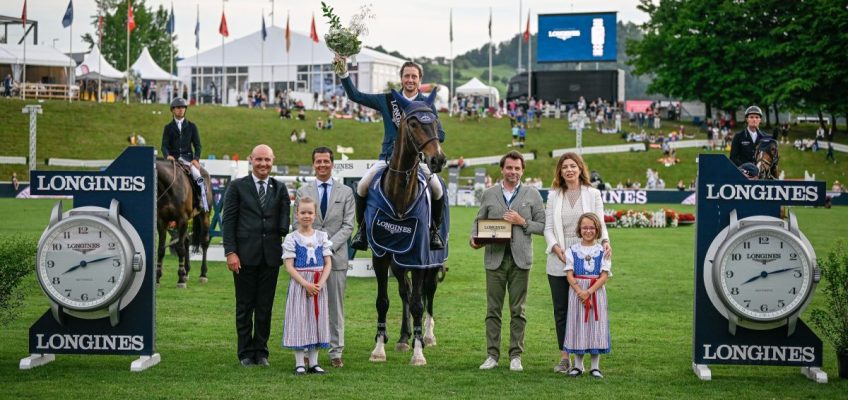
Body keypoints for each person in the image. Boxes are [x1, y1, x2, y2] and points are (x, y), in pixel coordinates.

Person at [336, 57, 446, 250]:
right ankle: (361, 231)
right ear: (401, 79)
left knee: (437, 190)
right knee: (362, 186)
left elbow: (441, 133)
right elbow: (356, 96)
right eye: (407, 76)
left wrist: (430, 139)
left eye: (414, 76)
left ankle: (434, 231)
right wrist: (344, 72)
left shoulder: (425, 103)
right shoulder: (387, 99)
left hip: (417, 162)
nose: (410, 80)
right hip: (387, 159)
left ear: (420, 80)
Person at [470, 151, 545, 372]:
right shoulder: (489, 194)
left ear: (523, 170)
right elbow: (477, 222)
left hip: (521, 260)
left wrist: (522, 221)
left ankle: (515, 356)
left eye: (517, 168)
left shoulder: (533, 194)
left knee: (518, 311)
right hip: (494, 259)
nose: (513, 172)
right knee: (493, 310)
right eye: (509, 168)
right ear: (502, 169)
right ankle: (492, 355)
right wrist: (474, 239)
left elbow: (542, 225)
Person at [222, 144, 291, 368]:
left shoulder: (279, 188)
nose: (263, 164)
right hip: (243, 258)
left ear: (273, 161)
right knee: (244, 307)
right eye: (259, 159)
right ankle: (244, 353)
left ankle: (261, 352)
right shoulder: (236, 187)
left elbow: (284, 221)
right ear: (250, 160)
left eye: (267, 160)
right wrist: (231, 252)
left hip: (270, 258)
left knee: (264, 308)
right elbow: (229, 222)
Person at [542, 152, 611, 374]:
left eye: (573, 166)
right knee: (562, 310)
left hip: (587, 258)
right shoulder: (554, 196)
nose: (569, 170)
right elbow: (548, 228)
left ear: (580, 169)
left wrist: (606, 241)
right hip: (560, 257)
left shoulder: (593, 194)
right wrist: (556, 248)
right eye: (565, 167)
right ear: (560, 172)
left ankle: (590, 359)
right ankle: (565, 356)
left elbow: (599, 223)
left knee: (586, 309)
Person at [295, 147, 355, 368]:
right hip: (308, 262)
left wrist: (326, 246)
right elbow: (296, 222)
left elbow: (349, 225)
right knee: (308, 307)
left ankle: (335, 352)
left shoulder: (345, 192)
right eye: (318, 161)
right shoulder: (303, 191)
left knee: (335, 307)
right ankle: (309, 352)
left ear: (332, 164)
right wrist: (311, 245)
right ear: (313, 164)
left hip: (335, 259)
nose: (322, 165)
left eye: (326, 161)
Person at [281, 197, 332, 375]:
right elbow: (289, 265)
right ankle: (299, 363)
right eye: (303, 212)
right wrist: (305, 284)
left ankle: (314, 362)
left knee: (317, 320)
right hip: (300, 285)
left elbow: (328, 263)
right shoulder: (292, 238)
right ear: (297, 214)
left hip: (318, 285)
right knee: (300, 320)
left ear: (315, 214)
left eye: (310, 212)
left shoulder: (322, 236)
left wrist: (320, 284)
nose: (306, 216)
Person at [564, 213, 612, 378]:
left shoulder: (602, 251)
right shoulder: (572, 250)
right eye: (585, 227)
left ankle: (595, 366)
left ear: (597, 229)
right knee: (578, 326)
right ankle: (577, 365)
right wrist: (579, 291)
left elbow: (604, 275)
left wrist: (588, 292)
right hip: (577, 293)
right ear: (579, 229)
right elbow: (569, 274)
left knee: (595, 326)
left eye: (592, 227)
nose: (588, 231)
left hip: (595, 291)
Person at [161, 97, 209, 212]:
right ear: (173, 110)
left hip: (188, 159)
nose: (181, 109)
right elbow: (164, 146)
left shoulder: (192, 126)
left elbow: (197, 145)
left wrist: (196, 159)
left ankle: (201, 200)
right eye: (178, 107)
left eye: (183, 107)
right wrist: (167, 155)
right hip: (173, 159)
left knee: (198, 176)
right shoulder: (168, 128)